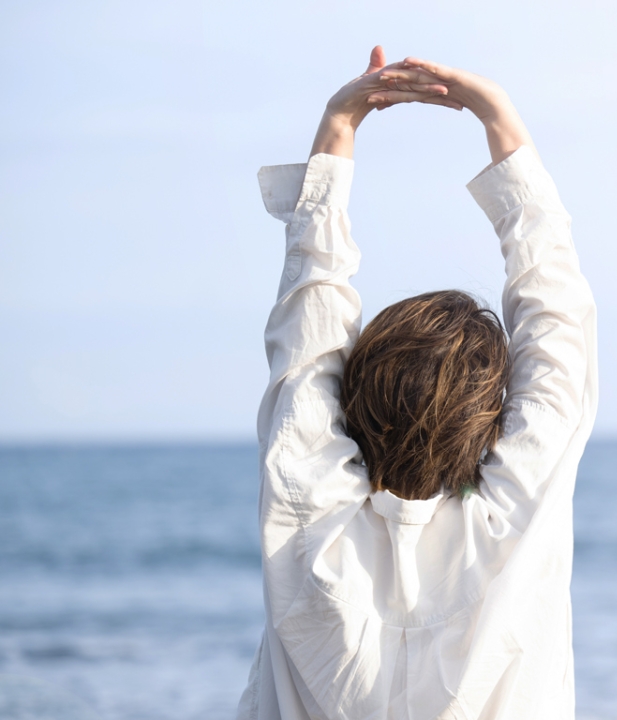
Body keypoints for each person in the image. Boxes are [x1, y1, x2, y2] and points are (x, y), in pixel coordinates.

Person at [239, 46, 597, 720]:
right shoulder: (516, 529)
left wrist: (340, 125)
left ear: (352, 400)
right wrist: (500, 120)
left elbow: (308, 338)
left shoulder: (309, 528)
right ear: (492, 418)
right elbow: (558, 328)